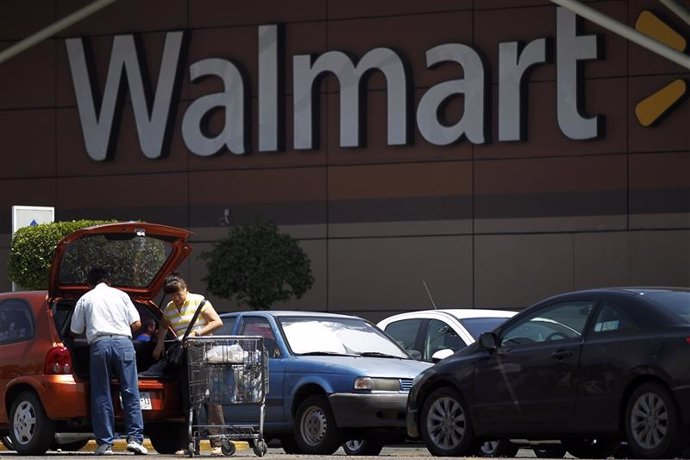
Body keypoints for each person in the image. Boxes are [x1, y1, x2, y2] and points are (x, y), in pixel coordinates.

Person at [69, 267, 148, 456]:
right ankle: (135, 440)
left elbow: (75, 330)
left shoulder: (85, 299)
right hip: (124, 344)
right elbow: (137, 323)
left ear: (89, 284)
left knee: (101, 393)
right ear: (109, 281)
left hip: (100, 345)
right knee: (130, 391)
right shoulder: (121, 295)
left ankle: (105, 443)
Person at [152, 274, 224, 456]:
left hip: (203, 352)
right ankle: (191, 443)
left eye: (179, 293)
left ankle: (218, 442)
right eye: (172, 295)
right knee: (189, 400)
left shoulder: (198, 301)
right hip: (185, 356)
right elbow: (162, 326)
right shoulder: (169, 308)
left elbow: (217, 322)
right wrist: (160, 344)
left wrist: (197, 334)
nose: (176, 298)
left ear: (186, 289)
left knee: (210, 398)